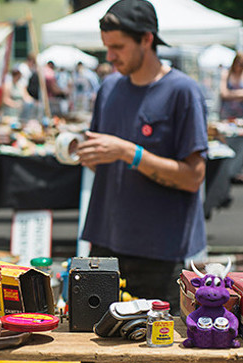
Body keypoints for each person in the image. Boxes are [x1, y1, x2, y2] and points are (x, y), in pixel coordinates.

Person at [77, 0, 208, 313]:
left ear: (147, 39)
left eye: (118, 47)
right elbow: (101, 159)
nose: (109, 56)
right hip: (105, 245)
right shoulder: (108, 88)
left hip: (161, 253)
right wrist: (80, 151)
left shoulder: (183, 91)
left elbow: (193, 177)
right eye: (106, 47)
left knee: (160, 355)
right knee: (100, 348)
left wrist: (129, 152)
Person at [218, 52, 243, 121]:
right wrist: (240, 94)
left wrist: (231, 93)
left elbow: (227, 94)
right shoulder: (226, 74)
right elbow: (224, 94)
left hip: (241, 114)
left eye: (241, 64)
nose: (239, 66)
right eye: (237, 63)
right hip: (226, 114)